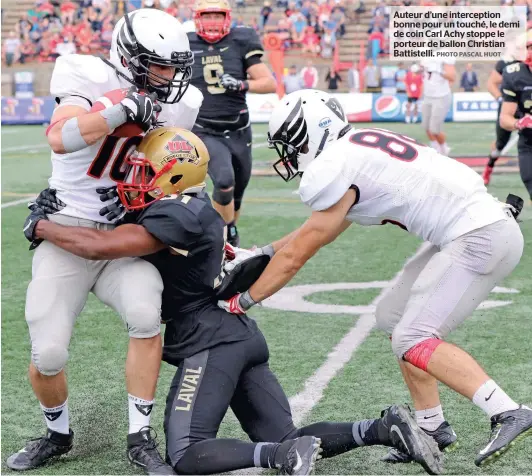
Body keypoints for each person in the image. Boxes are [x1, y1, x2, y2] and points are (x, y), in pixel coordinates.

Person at [24, 127, 444, 476]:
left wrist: (41, 224)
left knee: (188, 454)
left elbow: (101, 246)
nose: (135, 180)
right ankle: (381, 428)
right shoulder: (192, 205)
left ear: (175, 176)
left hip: (209, 341)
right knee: (285, 436)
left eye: (146, 171)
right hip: (234, 332)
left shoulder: (177, 215)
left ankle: (280, 460)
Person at [219, 89, 532, 468]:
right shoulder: (353, 150)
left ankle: (508, 410)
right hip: (474, 228)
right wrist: (264, 251)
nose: (290, 155)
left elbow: (299, 253)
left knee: (413, 336)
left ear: (312, 131)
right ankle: (432, 427)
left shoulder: (337, 163)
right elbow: (318, 231)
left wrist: (245, 299)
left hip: (480, 235)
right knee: (392, 317)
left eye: (292, 142)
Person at [6, 9, 202, 475]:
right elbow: (59, 137)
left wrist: (152, 199)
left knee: (144, 312)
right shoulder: (85, 71)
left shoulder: (183, 101)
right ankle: (57, 433)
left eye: (175, 66)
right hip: (68, 226)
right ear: (130, 57)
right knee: (47, 352)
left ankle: (139, 436)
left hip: (124, 234)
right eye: (159, 65)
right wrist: (120, 110)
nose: (170, 77)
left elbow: (183, 168)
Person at [187, 0, 277, 246]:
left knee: (238, 191)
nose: (213, 21)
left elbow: (269, 83)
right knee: (224, 182)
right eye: (207, 16)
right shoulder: (185, 43)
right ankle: (222, 236)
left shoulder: (242, 39)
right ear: (197, 18)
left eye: (217, 15)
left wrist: (241, 84)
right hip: (205, 129)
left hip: (238, 129)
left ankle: (231, 229)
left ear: (227, 17)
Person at [499, 31, 532, 203]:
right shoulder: (515, 75)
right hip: (529, 143)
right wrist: (519, 122)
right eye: (530, 47)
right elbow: (505, 118)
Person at [482, 54, 521, 185]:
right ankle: (489, 167)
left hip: (528, 105)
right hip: (509, 106)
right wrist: (501, 98)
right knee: (500, 144)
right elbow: (491, 83)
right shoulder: (507, 61)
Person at [420, 58, 455, 155]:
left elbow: (452, 77)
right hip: (428, 95)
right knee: (426, 127)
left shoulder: (445, 55)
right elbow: (424, 76)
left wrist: (439, 71)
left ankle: (444, 149)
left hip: (440, 96)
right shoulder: (423, 54)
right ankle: (435, 149)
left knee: (434, 129)